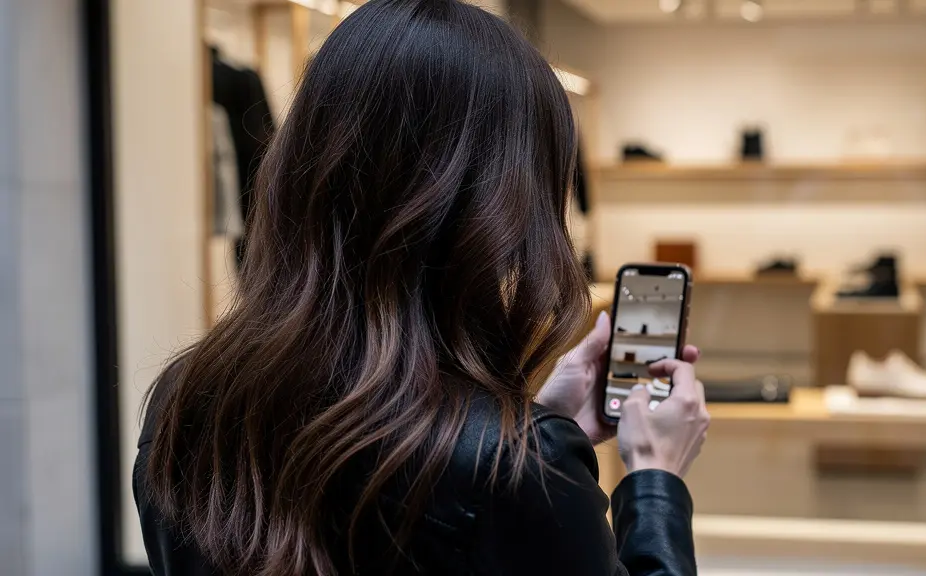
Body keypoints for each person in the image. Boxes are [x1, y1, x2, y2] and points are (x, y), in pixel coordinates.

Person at [133, 1, 710, 574]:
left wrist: (537, 430)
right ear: (502, 206)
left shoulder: (185, 403)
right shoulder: (516, 469)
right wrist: (654, 479)